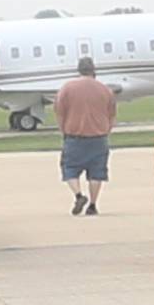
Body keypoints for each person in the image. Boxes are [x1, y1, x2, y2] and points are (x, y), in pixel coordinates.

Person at [55, 56, 118, 216]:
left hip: (75, 136)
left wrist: (64, 130)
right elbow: (111, 114)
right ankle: (93, 204)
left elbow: (60, 112)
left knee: (69, 169)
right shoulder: (105, 90)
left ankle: (78, 195)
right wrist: (106, 130)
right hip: (99, 137)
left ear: (79, 69)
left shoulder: (67, 88)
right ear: (93, 70)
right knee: (97, 172)